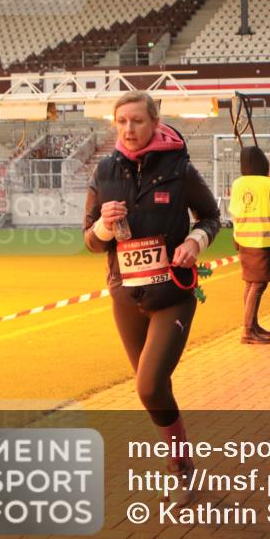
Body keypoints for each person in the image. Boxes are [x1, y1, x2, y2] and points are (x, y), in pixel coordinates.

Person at [83, 91, 220, 505]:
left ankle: (180, 468)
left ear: (155, 122)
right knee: (155, 389)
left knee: (148, 384)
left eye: (137, 121)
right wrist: (105, 228)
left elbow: (212, 216)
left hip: (173, 292)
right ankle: (182, 464)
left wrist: (196, 241)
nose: (129, 128)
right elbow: (89, 240)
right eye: (121, 121)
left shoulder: (179, 168)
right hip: (127, 296)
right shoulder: (104, 170)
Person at [229, 146, 270, 345]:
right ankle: (248, 330)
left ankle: (253, 324)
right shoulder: (268, 183)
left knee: (250, 283)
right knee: (258, 284)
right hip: (262, 240)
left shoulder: (237, 184)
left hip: (243, 239)